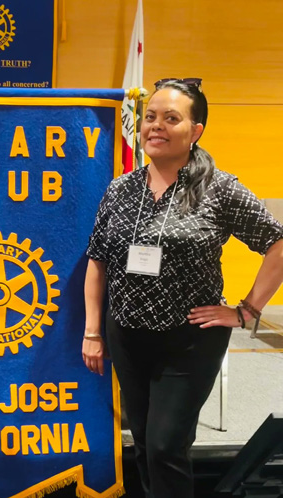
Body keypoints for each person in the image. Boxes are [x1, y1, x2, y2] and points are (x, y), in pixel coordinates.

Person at [82, 77, 283, 497]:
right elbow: (98, 260)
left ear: (196, 131)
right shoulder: (121, 189)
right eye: (150, 117)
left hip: (189, 340)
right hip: (127, 336)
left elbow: (277, 245)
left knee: (165, 446)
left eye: (171, 118)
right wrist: (93, 331)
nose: (155, 126)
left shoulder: (220, 189)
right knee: (143, 443)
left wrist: (246, 311)